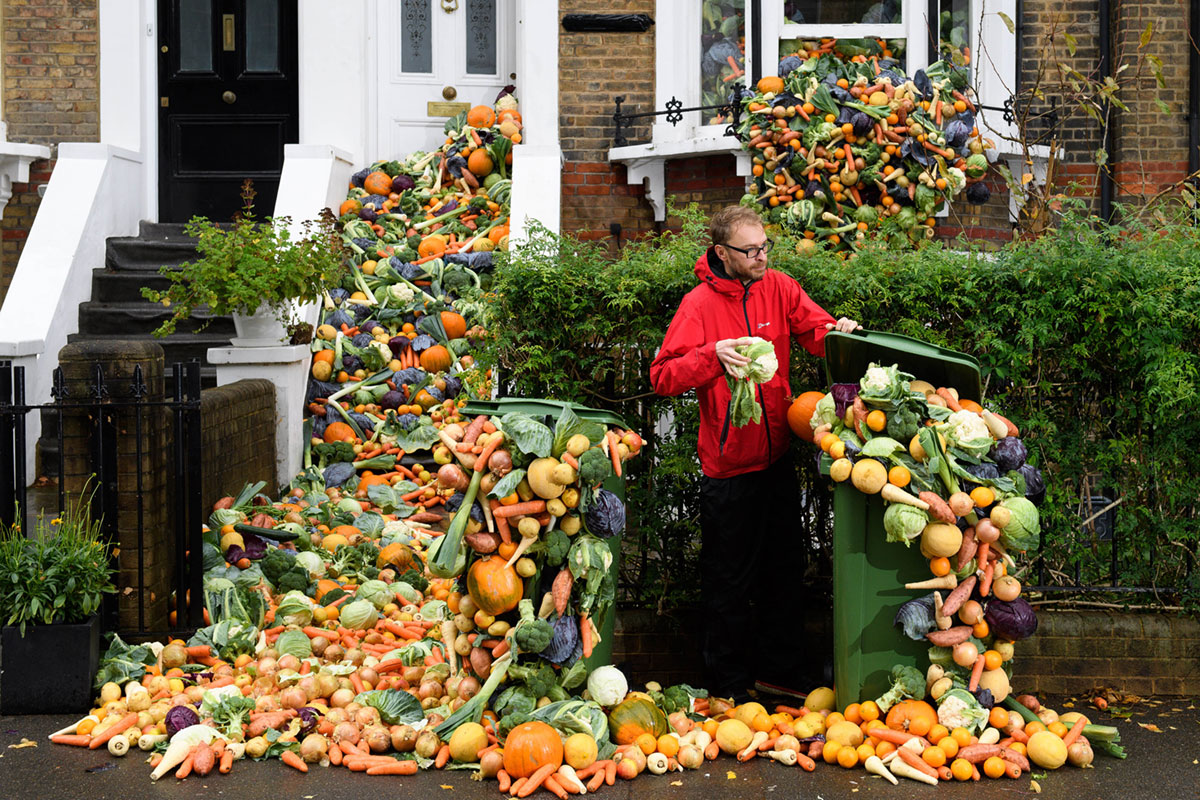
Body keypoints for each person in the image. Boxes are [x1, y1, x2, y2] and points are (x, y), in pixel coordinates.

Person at [649, 205, 860, 703]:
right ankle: (728, 686)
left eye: (765, 246)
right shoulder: (698, 305)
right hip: (726, 470)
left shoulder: (780, 286)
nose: (762, 256)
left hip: (777, 459)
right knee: (728, 584)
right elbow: (662, 376)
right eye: (751, 250)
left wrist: (838, 332)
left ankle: (783, 677)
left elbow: (814, 332)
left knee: (784, 573)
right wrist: (710, 357)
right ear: (723, 253)